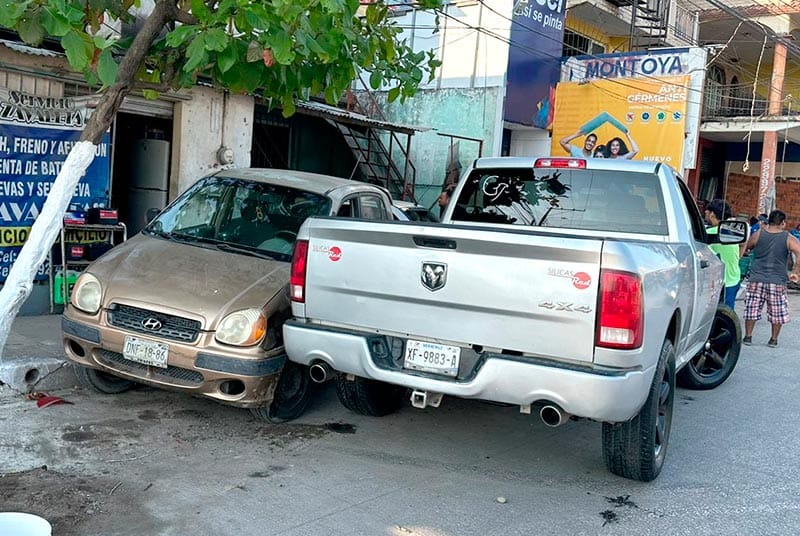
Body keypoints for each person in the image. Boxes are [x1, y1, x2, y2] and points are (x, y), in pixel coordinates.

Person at [742, 209, 800, 347]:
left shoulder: (758, 234)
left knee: (752, 308)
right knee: (777, 311)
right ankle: (773, 339)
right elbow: (799, 252)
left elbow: (747, 247)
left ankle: (748, 337)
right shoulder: (788, 238)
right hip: (777, 280)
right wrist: (795, 272)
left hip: (756, 278)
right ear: (783, 223)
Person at [705, 199, 740, 310]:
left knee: (723, 314)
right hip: (734, 277)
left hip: (725, 282)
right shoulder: (730, 231)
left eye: (707, 211)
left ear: (712, 214)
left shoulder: (709, 234)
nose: (705, 213)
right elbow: (743, 243)